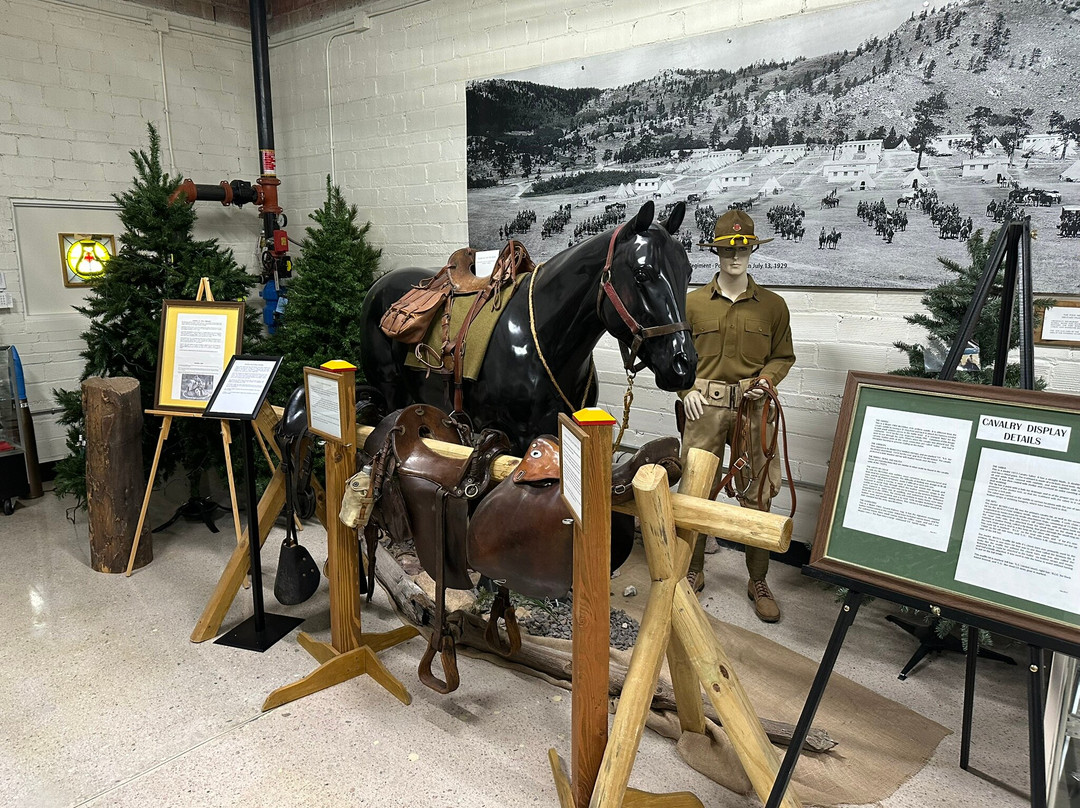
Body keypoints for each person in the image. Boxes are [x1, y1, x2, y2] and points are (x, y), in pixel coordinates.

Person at [679, 210, 795, 622]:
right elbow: (678, 357)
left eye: (742, 248)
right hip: (704, 406)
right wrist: (685, 389)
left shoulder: (773, 307)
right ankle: (691, 571)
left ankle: (758, 580)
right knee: (695, 490)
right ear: (716, 252)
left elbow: (783, 355)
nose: (735, 256)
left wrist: (767, 379)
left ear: (752, 250)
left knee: (758, 494)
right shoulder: (691, 303)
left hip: (755, 406)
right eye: (728, 249)